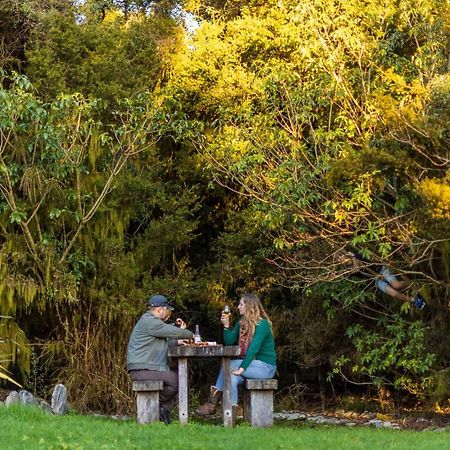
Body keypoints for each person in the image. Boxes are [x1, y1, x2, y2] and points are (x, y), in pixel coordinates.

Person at [195, 293, 277, 418]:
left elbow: (253, 350)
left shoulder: (262, 325)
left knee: (229, 365)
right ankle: (230, 416)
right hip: (249, 365)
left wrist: (241, 369)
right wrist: (226, 326)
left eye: (241, 304)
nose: (238, 307)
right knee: (231, 378)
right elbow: (229, 342)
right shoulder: (242, 324)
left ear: (249, 306)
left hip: (265, 367)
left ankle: (211, 405)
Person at [127, 294, 194, 424]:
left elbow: (160, 344)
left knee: (181, 377)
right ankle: (157, 407)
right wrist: (190, 334)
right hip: (141, 369)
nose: (167, 313)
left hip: (145, 368)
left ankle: (162, 409)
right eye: (166, 310)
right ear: (160, 310)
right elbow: (174, 332)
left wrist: (178, 341)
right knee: (177, 379)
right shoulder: (150, 321)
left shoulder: (149, 322)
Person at [339, 251, 426, 309]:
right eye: (339, 259)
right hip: (375, 280)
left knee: (396, 285)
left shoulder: (357, 255)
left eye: (341, 257)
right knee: (393, 293)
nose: (341, 259)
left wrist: (354, 257)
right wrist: (353, 259)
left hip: (380, 269)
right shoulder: (348, 270)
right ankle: (414, 300)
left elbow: (370, 257)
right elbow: (356, 269)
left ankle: (414, 284)